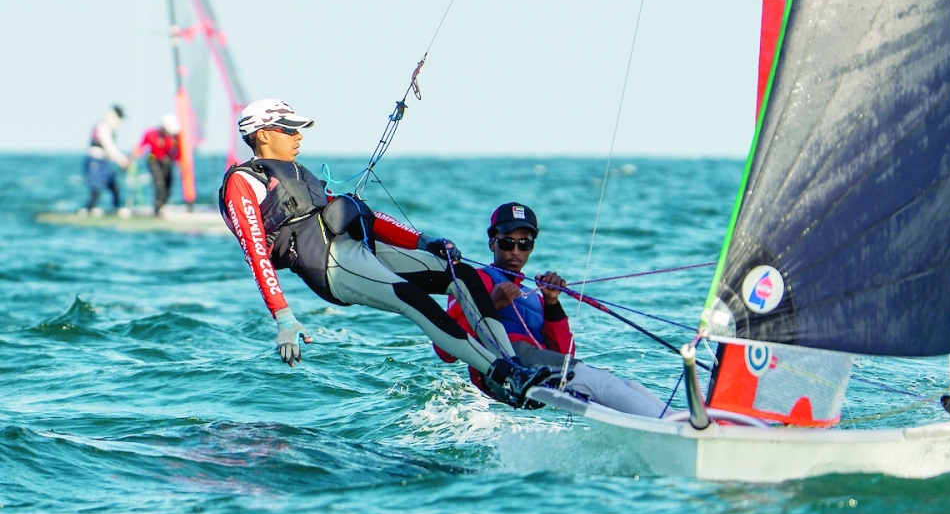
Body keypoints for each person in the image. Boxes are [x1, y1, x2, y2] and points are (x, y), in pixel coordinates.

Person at [219, 99, 553, 407]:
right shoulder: (244, 182)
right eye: (289, 129)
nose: (298, 137)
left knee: (459, 272)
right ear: (263, 135)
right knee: (415, 300)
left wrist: (422, 240)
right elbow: (256, 253)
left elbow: (367, 217)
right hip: (331, 264)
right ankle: (502, 374)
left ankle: (513, 366)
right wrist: (283, 317)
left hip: (359, 247)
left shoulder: (299, 173)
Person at [435, 202, 672, 417]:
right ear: (492, 243)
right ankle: (669, 425)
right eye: (507, 243)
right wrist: (492, 305)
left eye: (524, 244)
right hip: (505, 372)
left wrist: (551, 303)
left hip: (532, 376)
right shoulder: (475, 280)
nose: (516, 251)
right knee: (599, 381)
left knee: (628, 386)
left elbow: (565, 355)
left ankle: (679, 421)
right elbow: (445, 349)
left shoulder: (534, 298)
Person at [83, 104, 130, 216]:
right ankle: (88, 211)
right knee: (96, 190)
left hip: (104, 162)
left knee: (114, 187)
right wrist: (123, 160)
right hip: (95, 162)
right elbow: (109, 147)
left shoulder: (111, 129)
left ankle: (117, 209)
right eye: (119, 118)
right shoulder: (103, 126)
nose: (119, 122)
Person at [132, 113, 181, 214]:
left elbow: (178, 152)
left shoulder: (176, 137)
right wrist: (131, 159)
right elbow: (141, 147)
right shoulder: (151, 134)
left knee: (168, 187)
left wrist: (180, 163)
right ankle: (156, 210)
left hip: (167, 162)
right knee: (159, 185)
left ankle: (161, 206)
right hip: (153, 161)